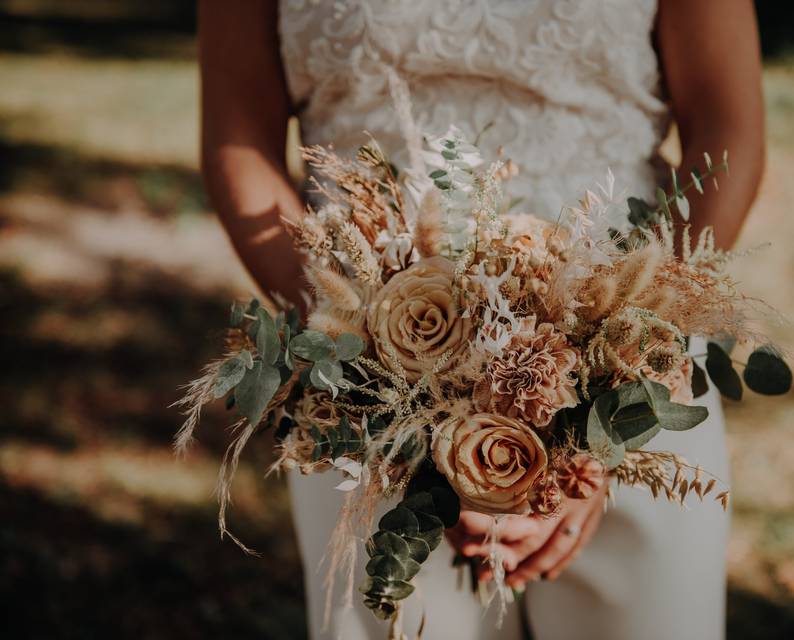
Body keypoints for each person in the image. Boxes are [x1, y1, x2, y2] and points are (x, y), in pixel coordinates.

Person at [199, 1, 764, 638]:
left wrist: (614, 403)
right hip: (363, 404)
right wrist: (370, 362)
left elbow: (727, 127)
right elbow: (238, 134)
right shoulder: (365, 376)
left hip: (634, 373)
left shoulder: (631, 379)